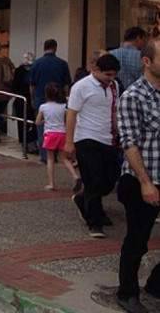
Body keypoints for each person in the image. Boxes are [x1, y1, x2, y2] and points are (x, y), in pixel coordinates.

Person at [115, 40, 160, 313]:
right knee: (137, 240)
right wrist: (146, 183)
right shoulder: (133, 97)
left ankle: (156, 284)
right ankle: (127, 292)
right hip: (142, 180)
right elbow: (129, 143)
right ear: (147, 61)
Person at [65, 54, 121, 239]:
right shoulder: (81, 87)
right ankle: (94, 222)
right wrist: (69, 142)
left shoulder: (114, 86)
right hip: (86, 138)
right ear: (95, 70)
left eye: (113, 74)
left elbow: (113, 110)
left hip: (108, 138)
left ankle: (82, 199)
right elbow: (71, 114)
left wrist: (117, 131)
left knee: (110, 179)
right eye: (107, 74)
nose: (110, 78)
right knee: (93, 180)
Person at [30, 39, 72, 163]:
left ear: (44, 48)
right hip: (59, 99)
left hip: (40, 98)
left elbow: (32, 85)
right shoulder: (62, 63)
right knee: (60, 125)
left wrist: (32, 99)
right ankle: (59, 153)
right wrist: (66, 97)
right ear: (55, 48)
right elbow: (66, 85)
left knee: (42, 128)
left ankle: (45, 156)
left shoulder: (36, 63)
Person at [35, 84, 81, 191]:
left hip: (50, 134)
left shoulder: (43, 107)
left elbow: (37, 122)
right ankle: (75, 176)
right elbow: (67, 120)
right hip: (62, 134)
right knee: (64, 158)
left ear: (46, 94)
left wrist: (44, 121)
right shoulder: (63, 107)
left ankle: (51, 183)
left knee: (50, 159)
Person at [12, 52, 37, 153]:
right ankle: (29, 143)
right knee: (29, 121)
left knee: (23, 122)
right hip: (28, 99)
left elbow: (14, 86)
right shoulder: (33, 70)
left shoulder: (19, 71)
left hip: (22, 99)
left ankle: (26, 143)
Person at [110, 27, 147, 92]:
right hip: (136, 95)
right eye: (144, 40)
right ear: (138, 38)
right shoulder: (142, 57)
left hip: (114, 95)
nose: (145, 43)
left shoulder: (110, 54)